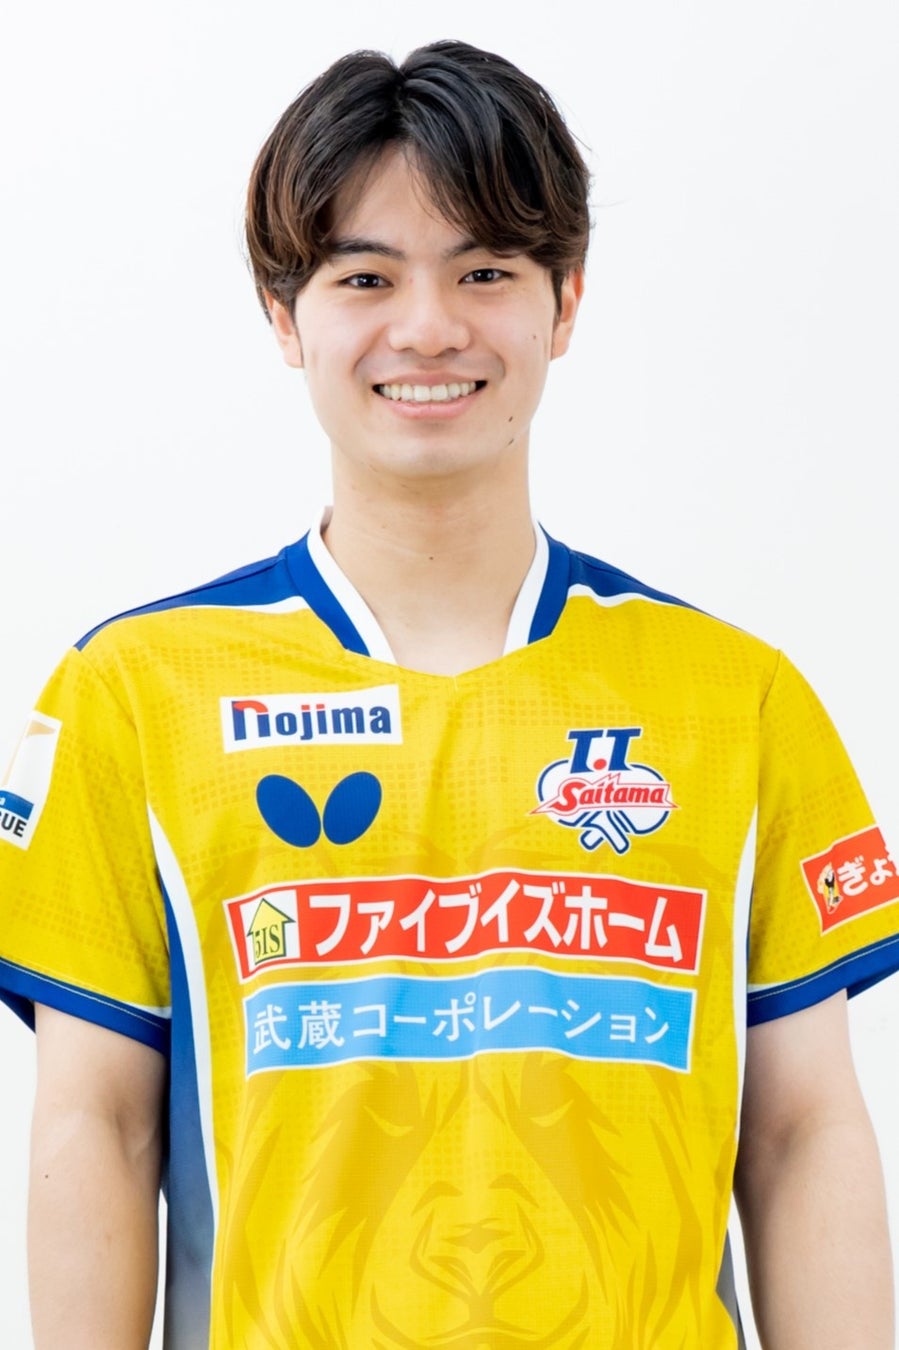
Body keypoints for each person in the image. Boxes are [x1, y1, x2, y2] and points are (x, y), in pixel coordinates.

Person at [0, 38, 897, 1350]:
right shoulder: (133, 693)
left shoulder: (737, 696)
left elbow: (803, 1129)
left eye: (485, 271)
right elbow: (98, 1122)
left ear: (566, 301)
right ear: (284, 315)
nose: (428, 327)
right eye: (366, 276)